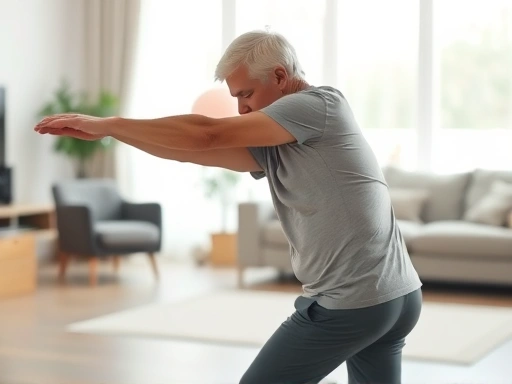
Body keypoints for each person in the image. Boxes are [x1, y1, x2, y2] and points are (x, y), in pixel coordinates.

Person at [35, 30, 423, 384]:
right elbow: (195, 152)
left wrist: (111, 124)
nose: (240, 109)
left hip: (355, 300)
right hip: (396, 295)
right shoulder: (279, 140)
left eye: (245, 95)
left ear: (278, 76)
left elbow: (208, 134)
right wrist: (114, 134)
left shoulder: (318, 105)